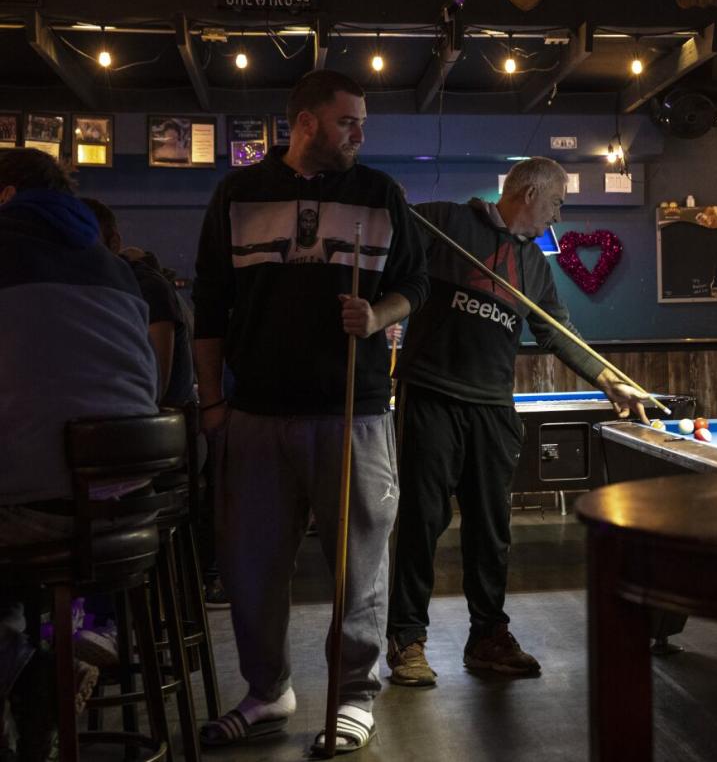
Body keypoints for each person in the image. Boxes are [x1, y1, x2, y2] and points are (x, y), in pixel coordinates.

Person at [193, 69, 427, 755]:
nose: (360, 133)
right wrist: (212, 404)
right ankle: (268, 692)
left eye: (362, 122)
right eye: (347, 121)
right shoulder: (239, 193)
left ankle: (353, 697)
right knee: (252, 567)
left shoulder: (379, 194)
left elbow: (414, 283)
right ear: (305, 123)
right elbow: (209, 304)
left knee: (358, 566)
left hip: (354, 411)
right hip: (255, 413)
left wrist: (377, 313)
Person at [386, 156, 647, 687]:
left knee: (491, 528)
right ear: (528, 193)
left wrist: (606, 378)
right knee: (422, 520)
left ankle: (487, 636)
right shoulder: (444, 222)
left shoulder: (536, 267)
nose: (558, 215)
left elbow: (557, 331)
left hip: (491, 406)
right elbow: (387, 237)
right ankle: (407, 639)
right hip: (432, 394)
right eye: (556, 203)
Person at [0, 147, 158, 757]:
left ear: (6, 196)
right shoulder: (115, 267)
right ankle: (59, 647)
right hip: (125, 516)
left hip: (34, 515)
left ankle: (24, 665)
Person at [81, 198, 195, 408]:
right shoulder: (99, 290)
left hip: (158, 432)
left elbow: (156, 389)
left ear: (114, 243)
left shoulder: (147, 287)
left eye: (86, 240)